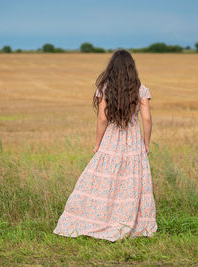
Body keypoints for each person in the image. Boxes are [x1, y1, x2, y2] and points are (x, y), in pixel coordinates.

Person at [53, 49, 157, 242]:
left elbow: (102, 118)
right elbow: (147, 119)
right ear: (132, 68)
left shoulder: (105, 88)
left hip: (111, 140)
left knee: (103, 181)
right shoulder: (141, 89)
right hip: (133, 141)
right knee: (130, 182)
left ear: (112, 67)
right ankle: (128, 222)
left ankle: (95, 219)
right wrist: (146, 143)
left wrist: (97, 144)